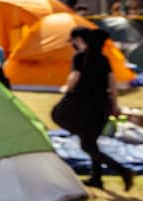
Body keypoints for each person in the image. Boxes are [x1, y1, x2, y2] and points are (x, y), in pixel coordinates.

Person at [55, 26, 133, 190]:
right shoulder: (104, 59)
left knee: (86, 143)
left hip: (83, 106)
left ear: (80, 40)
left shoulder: (80, 57)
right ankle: (97, 178)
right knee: (91, 142)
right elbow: (112, 84)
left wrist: (66, 88)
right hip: (102, 106)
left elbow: (75, 76)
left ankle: (123, 171)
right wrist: (115, 105)